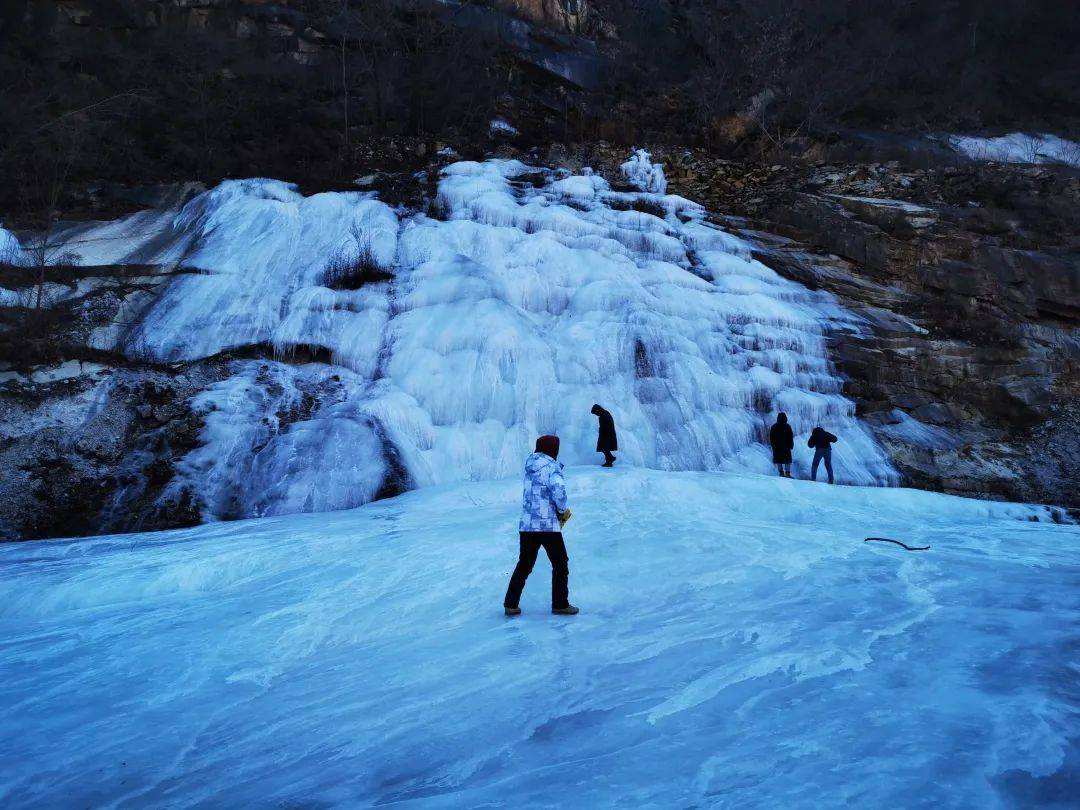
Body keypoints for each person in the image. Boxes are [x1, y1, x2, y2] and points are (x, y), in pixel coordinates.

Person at [503, 435, 579, 617]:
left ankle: (510, 604)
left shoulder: (530, 467)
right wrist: (562, 511)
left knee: (525, 564)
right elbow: (559, 493)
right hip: (546, 525)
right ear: (553, 449)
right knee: (560, 563)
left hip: (528, 525)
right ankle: (560, 603)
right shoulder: (552, 467)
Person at [769, 412, 794, 477]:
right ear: (785, 418)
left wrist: (773, 446)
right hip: (786, 447)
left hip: (777, 447)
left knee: (779, 460)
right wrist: (791, 445)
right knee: (787, 461)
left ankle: (781, 473)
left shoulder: (774, 426)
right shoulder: (787, 426)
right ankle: (787, 473)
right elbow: (790, 437)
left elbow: (771, 438)